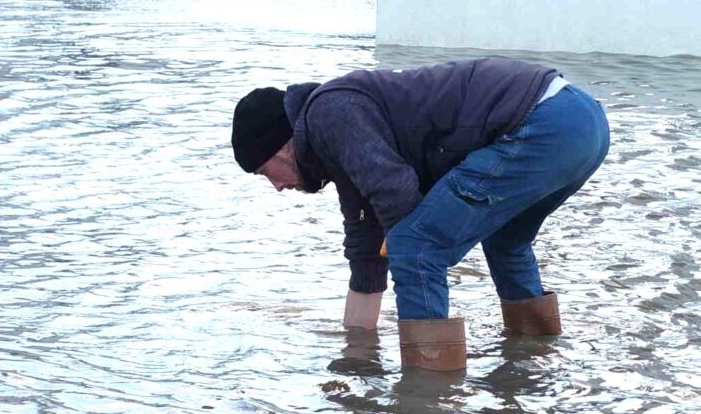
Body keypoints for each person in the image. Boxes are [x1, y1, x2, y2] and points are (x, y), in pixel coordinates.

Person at [231, 58, 609, 371]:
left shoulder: (329, 114)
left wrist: (413, 255)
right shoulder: (333, 128)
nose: (277, 186)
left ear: (282, 147)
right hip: (582, 120)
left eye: (266, 173)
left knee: (414, 244)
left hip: (545, 124)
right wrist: (357, 350)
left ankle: (426, 400)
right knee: (505, 241)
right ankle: (535, 356)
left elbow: (396, 195)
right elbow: (366, 241)